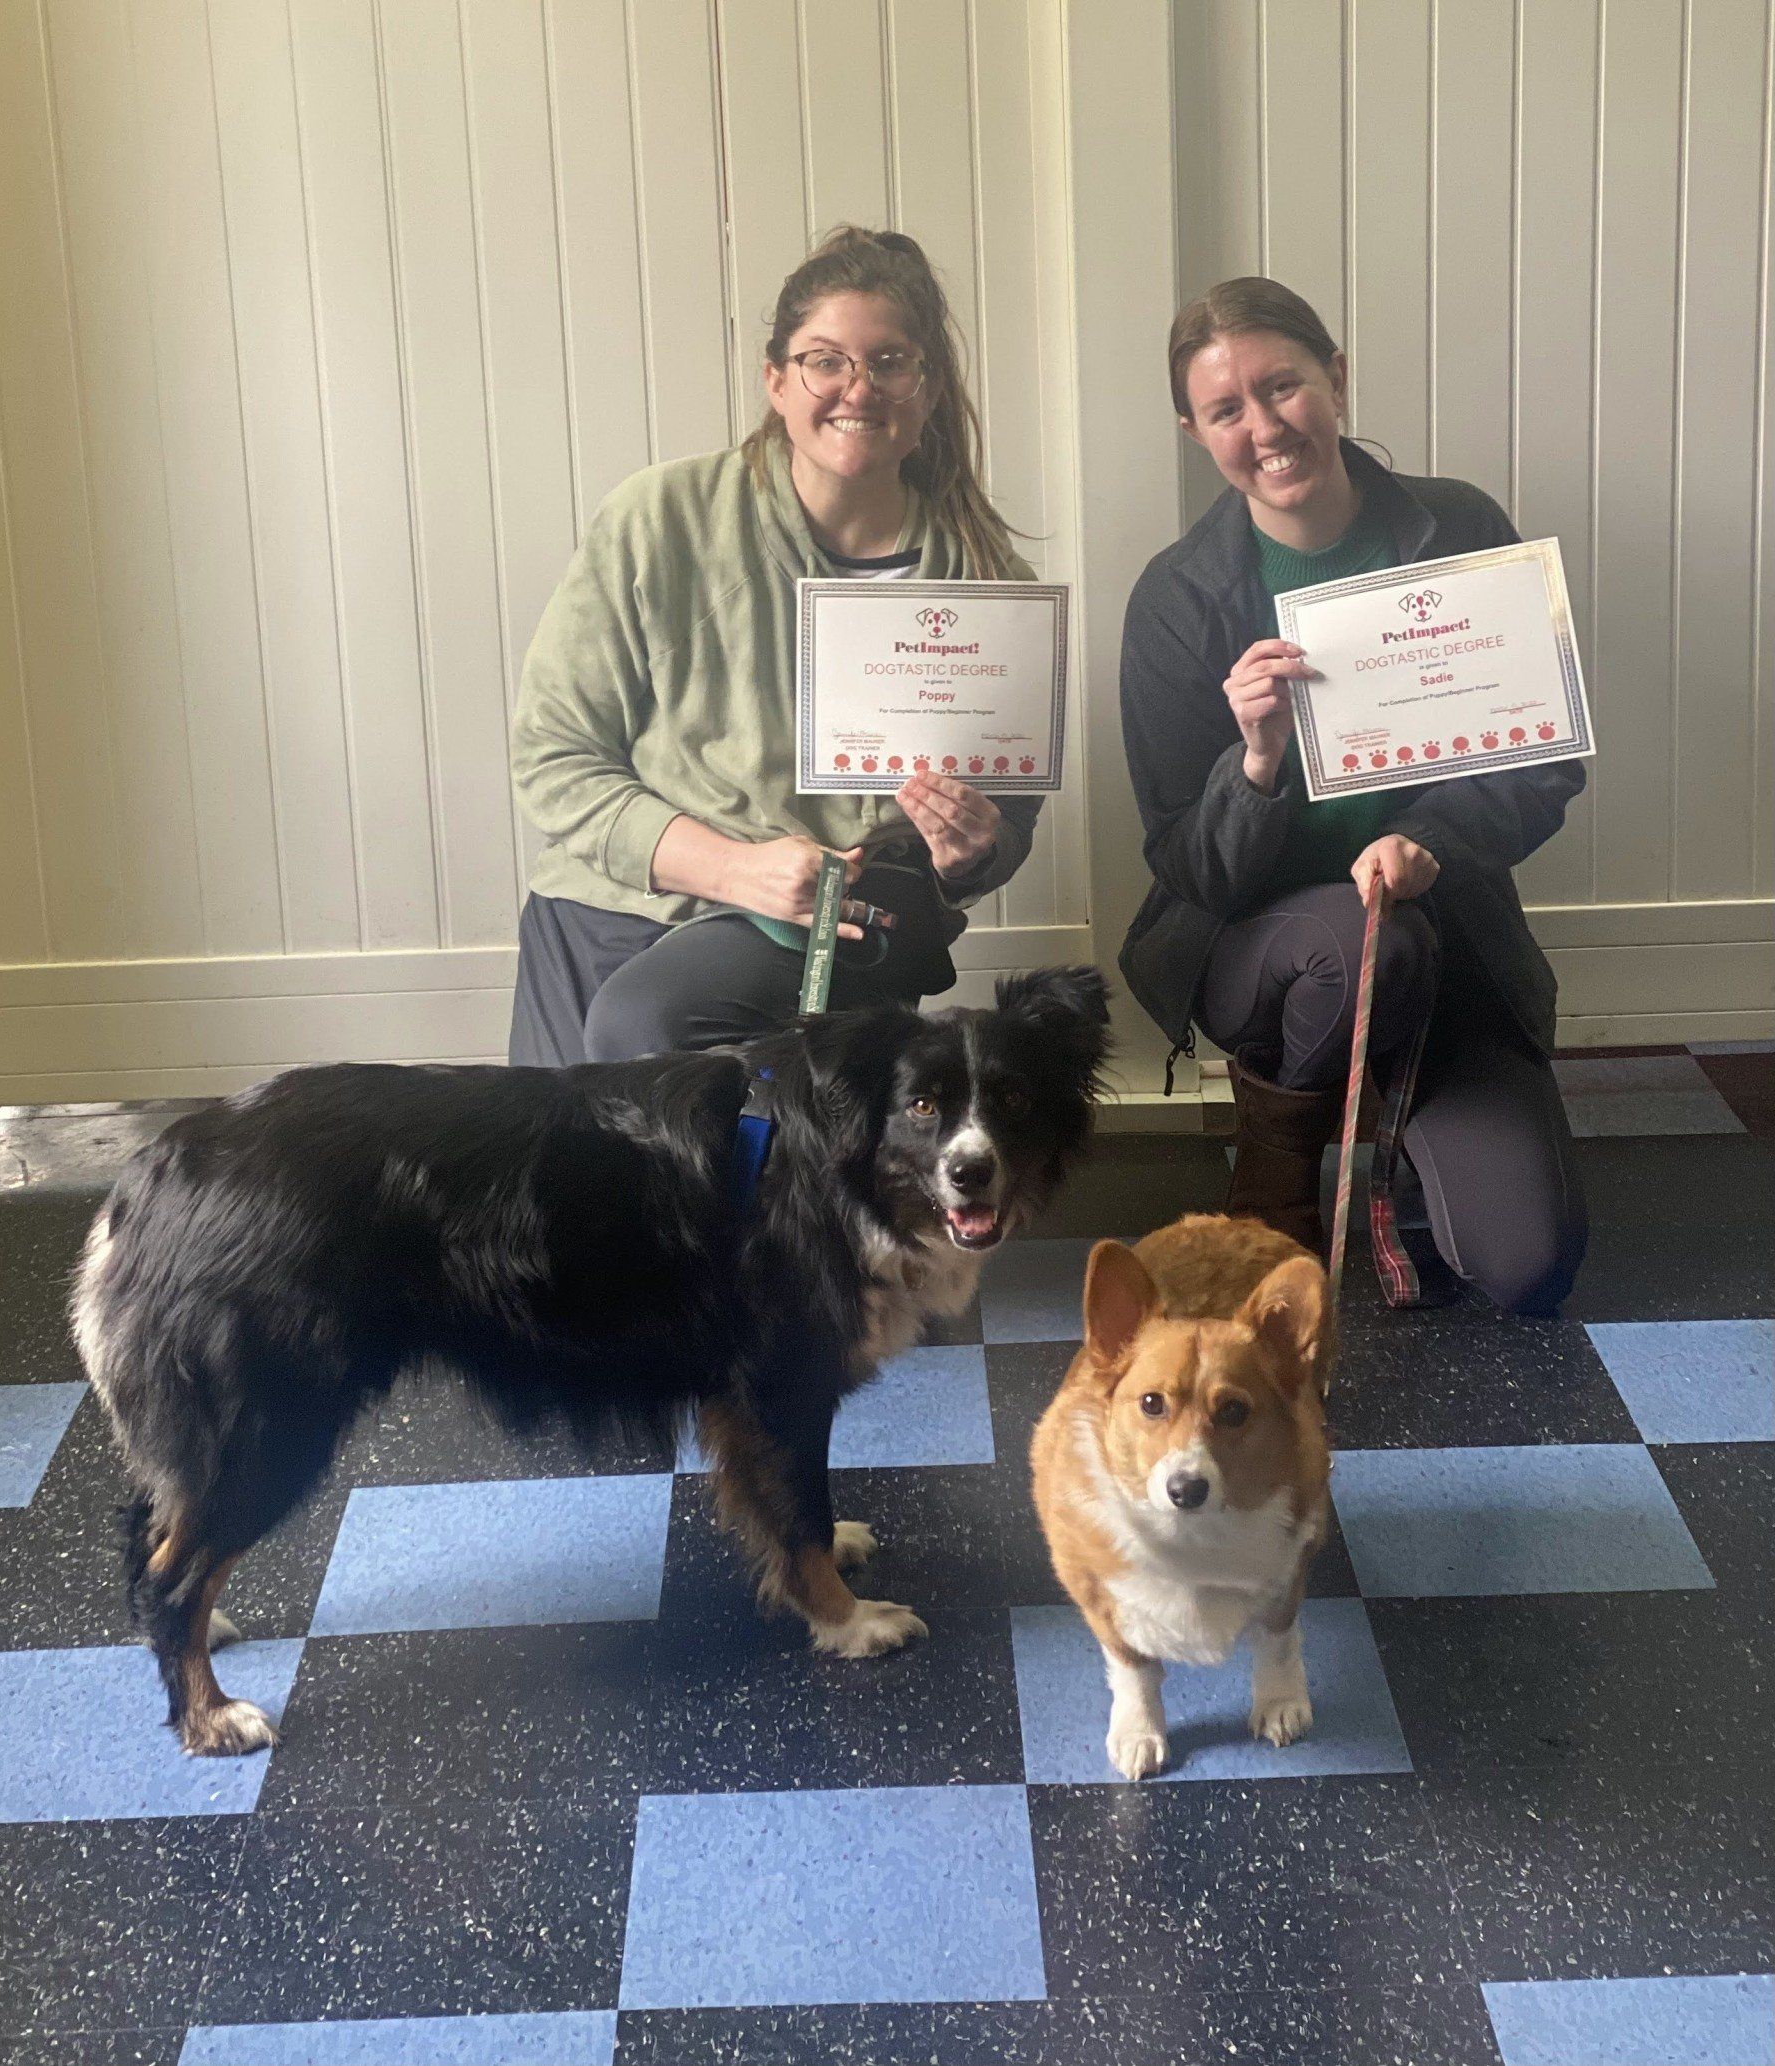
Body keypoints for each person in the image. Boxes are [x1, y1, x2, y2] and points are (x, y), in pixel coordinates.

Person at [1119, 276, 1587, 1314]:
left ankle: (1409, 1126)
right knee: (1358, 940)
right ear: (1195, 432)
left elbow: (1544, 764)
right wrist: (1255, 763)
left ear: (1334, 377)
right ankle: (1275, 1173)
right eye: (1226, 409)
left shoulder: (1459, 523)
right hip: (1262, 949)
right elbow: (1185, 866)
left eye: (1281, 386)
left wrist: (1431, 840)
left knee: (1525, 1268)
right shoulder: (1177, 595)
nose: (1264, 426)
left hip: (1444, 926)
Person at [507, 226, 1041, 1069]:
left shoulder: (988, 584)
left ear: (928, 389)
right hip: (613, 896)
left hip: (846, 906)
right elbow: (554, 758)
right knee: (550, 1163)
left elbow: (1006, 823)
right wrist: (732, 869)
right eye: (825, 360)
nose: (857, 389)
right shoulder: (657, 519)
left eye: (891, 361)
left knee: (643, 1037)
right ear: (777, 381)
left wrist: (973, 852)